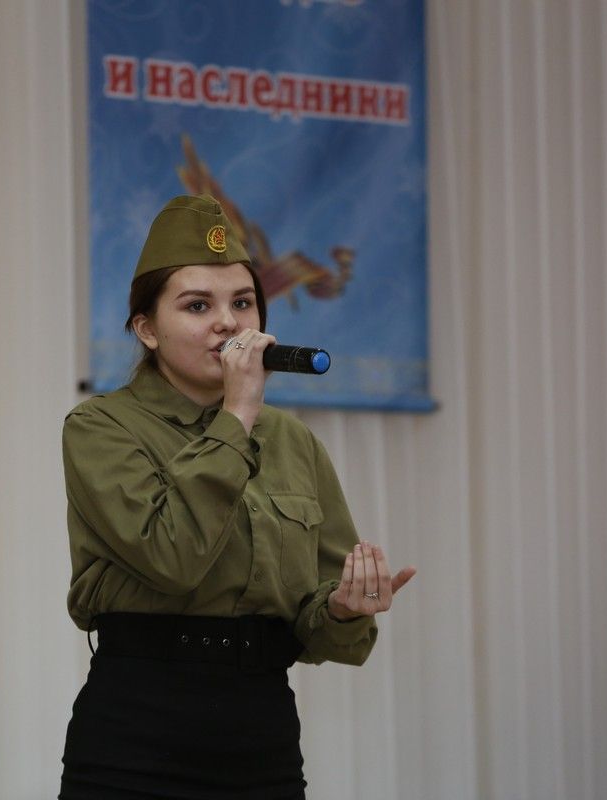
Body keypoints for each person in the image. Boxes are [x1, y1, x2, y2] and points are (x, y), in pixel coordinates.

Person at [59, 194, 415, 799]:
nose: (228, 323)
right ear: (147, 329)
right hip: (137, 729)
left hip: (259, 730)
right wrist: (238, 413)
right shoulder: (101, 428)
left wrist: (344, 610)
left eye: (243, 302)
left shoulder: (293, 442)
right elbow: (172, 558)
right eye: (198, 305)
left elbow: (317, 622)